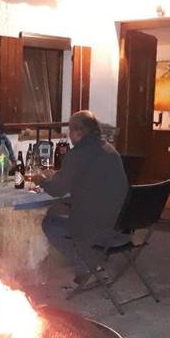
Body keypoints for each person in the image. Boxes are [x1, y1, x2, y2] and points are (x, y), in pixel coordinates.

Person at [38, 110, 129, 284]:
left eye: (70, 131)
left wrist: (42, 180)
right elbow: (86, 176)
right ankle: (91, 261)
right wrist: (60, 176)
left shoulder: (78, 153)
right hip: (118, 223)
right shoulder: (110, 150)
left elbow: (57, 190)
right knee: (64, 211)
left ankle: (87, 264)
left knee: (50, 222)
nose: (69, 136)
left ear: (78, 132)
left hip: (94, 227)